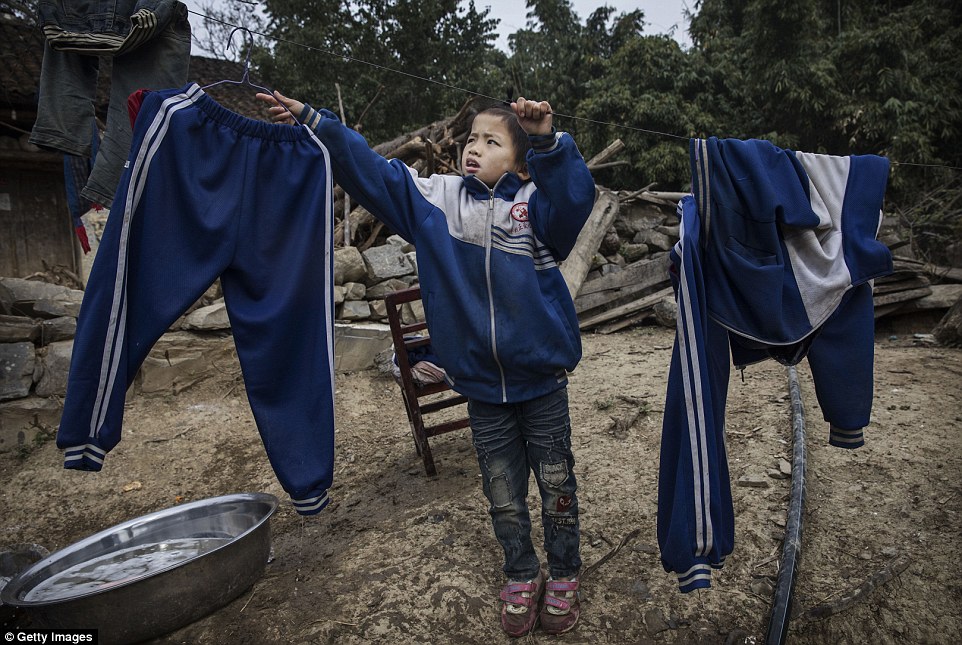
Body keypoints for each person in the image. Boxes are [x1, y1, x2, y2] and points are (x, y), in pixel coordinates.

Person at [257, 89, 596, 636]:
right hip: (482, 389)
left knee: (557, 485)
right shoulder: (435, 200)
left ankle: (564, 572)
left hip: (542, 382)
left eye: (491, 141)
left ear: (517, 159)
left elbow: (578, 198)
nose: (473, 148)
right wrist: (318, 123)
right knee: (503, 494)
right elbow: (372, 172)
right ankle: (521, 572)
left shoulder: (537, 207)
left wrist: (547, 142)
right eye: (470, 139)